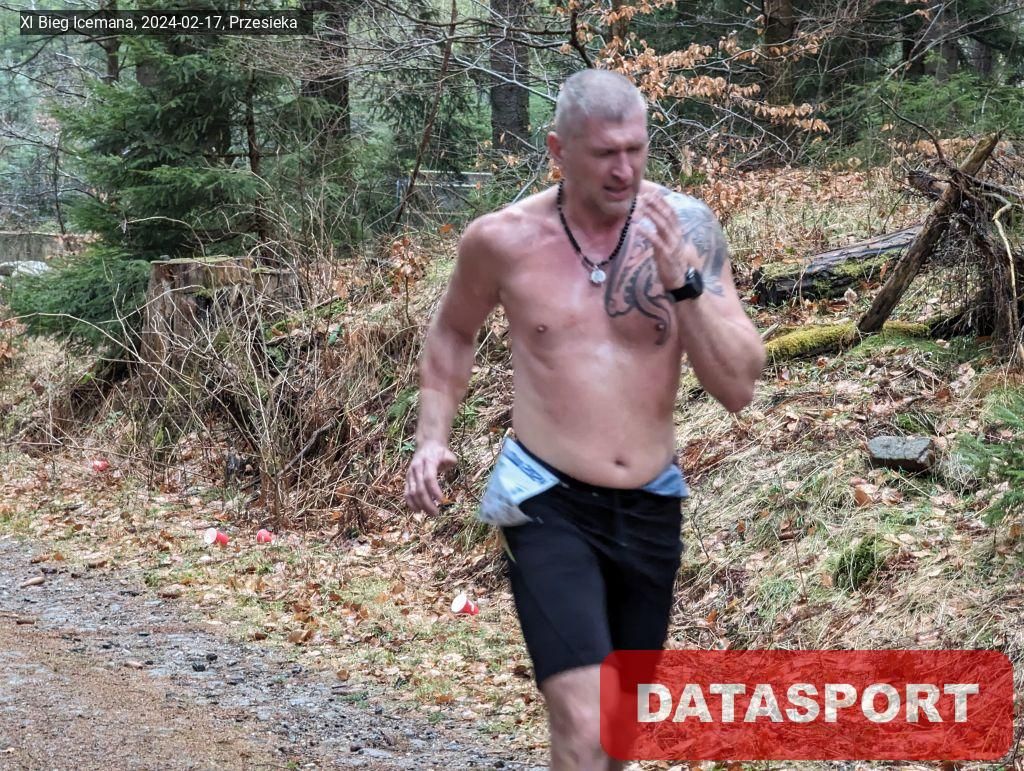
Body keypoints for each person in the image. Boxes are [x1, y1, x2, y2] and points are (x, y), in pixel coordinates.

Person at [405, 69, 766, 770]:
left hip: (651, 502)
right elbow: (452, 331)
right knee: (583, 720)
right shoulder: (502, 239)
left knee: (617, 736)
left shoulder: (686, 228)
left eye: (636, 149)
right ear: (558, 150)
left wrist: (683, 283)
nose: (624, 169)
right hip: (546, 499)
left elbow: (739, 385)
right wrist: (431, 438)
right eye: (604, 153)